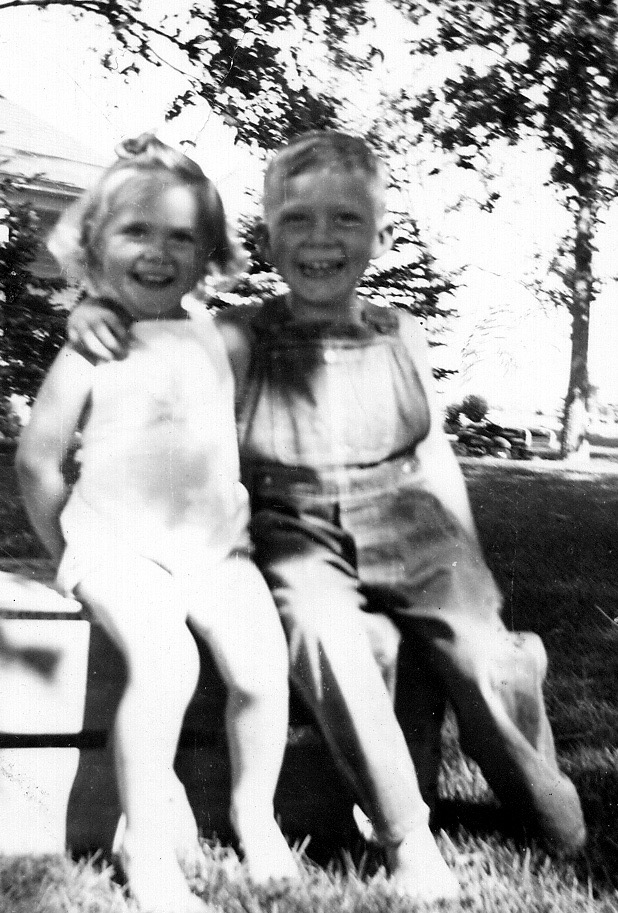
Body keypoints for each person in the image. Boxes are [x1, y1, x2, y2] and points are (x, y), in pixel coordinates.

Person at [66, 130, 587, 889]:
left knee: (482, 651)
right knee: (325, 634)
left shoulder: (401, 333)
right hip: (297, 526)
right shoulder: (238, 335)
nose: (320, 238)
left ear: (379, 236)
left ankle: (544, 802)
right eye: (297, 220)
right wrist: (92, 310)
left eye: (345, 219)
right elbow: (152, 322)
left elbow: (433, 452)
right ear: (269, 235)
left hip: (410, 522)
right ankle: (407, 837)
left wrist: (466, 557)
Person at [16, 135, 298, 913]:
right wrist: (70, 551)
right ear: (94, 245)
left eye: (181, 236)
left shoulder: (218, 334)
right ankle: (144, 845)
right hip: (117, 546)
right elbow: (38, 461)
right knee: (168, 661)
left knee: (261, 669)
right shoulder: (93, 345)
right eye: (136, 231)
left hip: (214, 546)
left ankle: (254, 813)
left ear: (208, 253)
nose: (158, 251)